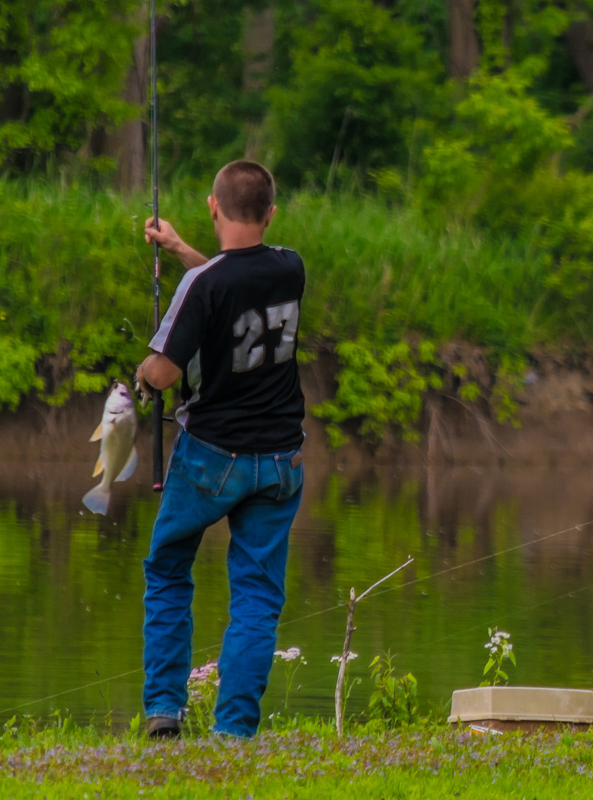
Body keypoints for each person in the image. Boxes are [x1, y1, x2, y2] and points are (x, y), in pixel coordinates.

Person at [136, 160, 306, 739]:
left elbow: (161, 373)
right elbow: (234, 282)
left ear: (214, 206)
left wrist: (140, 369)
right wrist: (183, 249)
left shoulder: (203, 286)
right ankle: (234, 732)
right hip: (280, 459)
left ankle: (164, 709)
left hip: (212, 456)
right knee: (257, 596)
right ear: (271, 214)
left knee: (167, 568)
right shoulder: (290, 268)